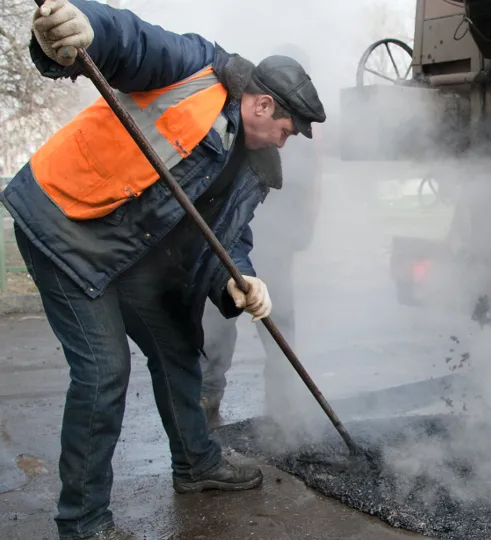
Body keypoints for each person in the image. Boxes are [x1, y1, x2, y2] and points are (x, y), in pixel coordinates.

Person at [0, 1, 325, 539]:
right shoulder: (195, 68)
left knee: (177, 349)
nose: (285, 143)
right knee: (104, 374)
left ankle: (197, 464)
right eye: (287, 130)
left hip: (129, 248)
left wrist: (240, 281)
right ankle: (82, 523)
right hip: (65, 222)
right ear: (263, 105)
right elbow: (130, 41)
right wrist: (84, 26)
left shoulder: (251, 169)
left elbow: (224, 240)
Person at [198, 43, 323, 425]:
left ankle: (284, 412)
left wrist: (301, 233)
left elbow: (313, 188)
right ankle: (206, 404)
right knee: (219, 325)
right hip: (233, 242)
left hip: (276, 249)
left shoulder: (297, 138)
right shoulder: (250, 129)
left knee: (279, 325)